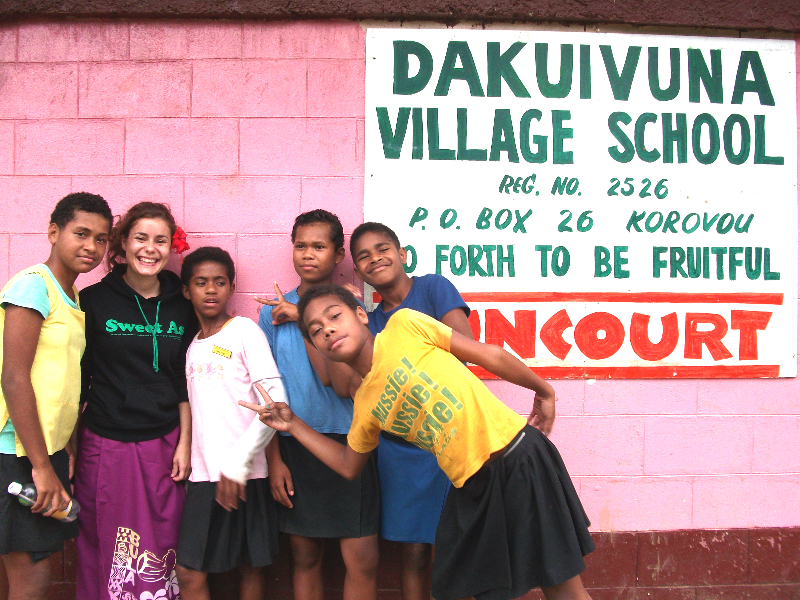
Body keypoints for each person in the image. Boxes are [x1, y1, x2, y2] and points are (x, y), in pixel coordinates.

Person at [247, 285, 596, 600]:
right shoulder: (366, 404)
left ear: (360, 314)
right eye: (316, 331)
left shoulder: (404, 326)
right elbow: (349, 465)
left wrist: (544, 390)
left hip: (517, 458)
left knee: (561, 584)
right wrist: (294, 423)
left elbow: (488, 355)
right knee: (464, 586)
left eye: (334, 316)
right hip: (471, 487)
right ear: (317, 348)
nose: (328, 329)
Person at [75, 201, 197, 600]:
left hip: (165, 444)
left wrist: (184, 443)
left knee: (162, 545)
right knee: (107, 545)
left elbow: (186, 378)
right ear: (123, 243)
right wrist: (71, 446)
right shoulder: (92, 301)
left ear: (171, 247)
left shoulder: (183, 303)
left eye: (161, 240)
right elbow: (78, 378)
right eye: (141, 238)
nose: (150, 248)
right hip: (106, 443)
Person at [255, 210, 379, 600]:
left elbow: (346, 381)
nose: (308, 254)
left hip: (352, 443)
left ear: (339, 254)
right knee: (304, 555)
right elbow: (266, 392)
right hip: (296, 446)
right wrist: (275, 461)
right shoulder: (270, 313)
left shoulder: (351, 306)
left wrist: (304, 315)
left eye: (319, 247)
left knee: (361, 557)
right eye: (300, 246)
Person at [350, 221, 472, 600]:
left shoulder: (433, 287)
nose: (375, 259)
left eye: (383, 248)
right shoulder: (370, 322)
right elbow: (367, 384)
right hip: (400, 447)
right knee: (415, 552)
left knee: (459, 546)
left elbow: (464, 349)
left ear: (402, 255)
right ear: (358, 271)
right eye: (364, 256)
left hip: (449, 434)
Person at [0, 193, 112, 600]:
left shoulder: (72, 298)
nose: (91, 247)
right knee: (32, 577)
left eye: (101, 239)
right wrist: (41, 466)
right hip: (15, 453)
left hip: (41, 451)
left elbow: (58, 382)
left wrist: (61, 448)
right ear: (53, 232)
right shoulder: (34, 285)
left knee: (26, 570)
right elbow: (13, 378)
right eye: (81, 234)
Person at [175, 246, 284, 600]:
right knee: (189, 571)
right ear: (186, 290)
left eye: (220, 282)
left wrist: (240, 463)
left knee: (249, 567)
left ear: (231, 287)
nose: (210, 290)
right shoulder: (193, 346)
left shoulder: (244, 331)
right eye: (201, 282)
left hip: (246, 473)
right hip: (206, 476)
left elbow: (275, 403)